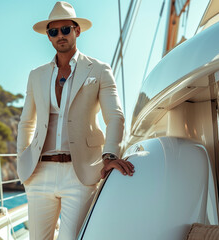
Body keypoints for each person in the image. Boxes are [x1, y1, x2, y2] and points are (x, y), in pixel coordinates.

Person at [16, 2, 135, 239]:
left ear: (77, 31)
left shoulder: (99, 69)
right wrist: (22, 161)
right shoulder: (36, 75)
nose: (60, 35)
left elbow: (115, 116)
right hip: (39, 172)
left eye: (66, 29)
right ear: (49, 37)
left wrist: (110, 156)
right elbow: (26, 122)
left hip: (80, 172)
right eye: (54, 32)